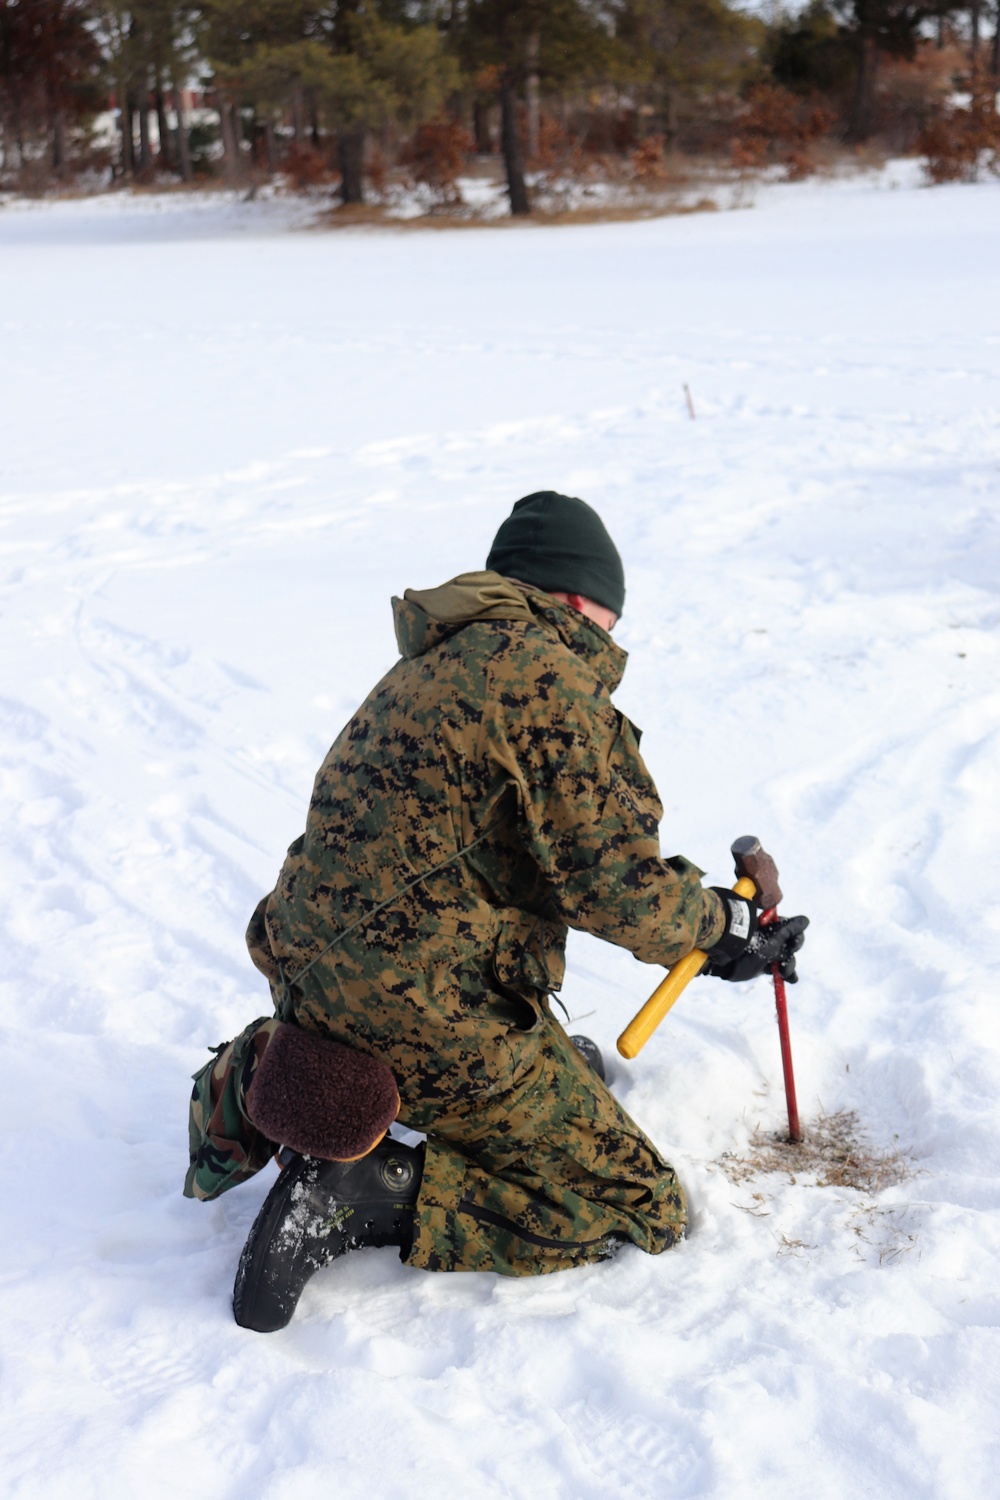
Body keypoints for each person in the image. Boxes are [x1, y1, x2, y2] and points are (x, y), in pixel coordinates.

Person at [232, 491, 808, 1331]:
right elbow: (608, 883)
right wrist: (717, 927)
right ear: (578, 599)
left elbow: (540, 853)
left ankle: (322, 1070)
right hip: (423, 1018)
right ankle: (373, 1193)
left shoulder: (436, 661)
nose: (612, 636)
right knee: (639, 1204)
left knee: (531, 1058)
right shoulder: (543, 675)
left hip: (314, 987)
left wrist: (704, 914)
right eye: (611, 615)